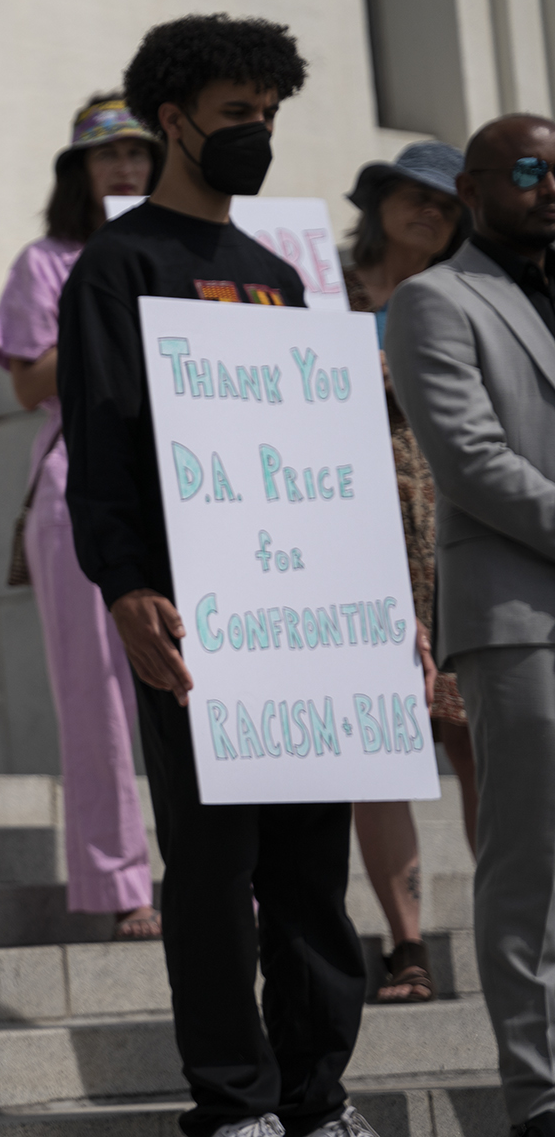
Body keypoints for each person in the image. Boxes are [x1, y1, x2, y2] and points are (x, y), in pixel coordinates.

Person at [58, 14, 375, 1137]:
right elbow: (97, 444)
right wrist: (124, 583)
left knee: (307, 872)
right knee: (210, 867)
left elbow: (318, 461)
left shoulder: (274, 276)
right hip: (190, 620)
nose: (256, 133)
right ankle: (231, 1103)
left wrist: (378, 610)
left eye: (268, 115)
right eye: (236, 114)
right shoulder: (115, 264)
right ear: (173, 119)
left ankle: (315, 1097)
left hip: (299, 616)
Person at [386, 113, 555, 1136]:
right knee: (529, 862)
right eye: (530, 168)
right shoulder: (432, 298)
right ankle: (537, 1093)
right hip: (518, 617)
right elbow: (469, 461)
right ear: (472, 184)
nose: (549, 186)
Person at [0, 92, 160, 939]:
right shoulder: (46, 261)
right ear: (80, 171)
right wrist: (107, 313)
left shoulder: (180, 251)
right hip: (77, 482)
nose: (125, 168)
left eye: (138, 153)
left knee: (195, 686)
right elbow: (23, 384)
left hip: (189, 488)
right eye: (107, 155)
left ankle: (218, 872)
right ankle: (122, 882)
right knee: (94, 692)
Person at [340, 140, 476, 1006]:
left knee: (477, 736)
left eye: (449, 201)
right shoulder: (325, 295)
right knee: (379, 748)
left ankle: (520, 926)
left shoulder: (474, 298)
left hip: (459, 538)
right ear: (380, 200)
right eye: (416, 194)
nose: (431, 211)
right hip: (352, 531)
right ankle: (408, 945)